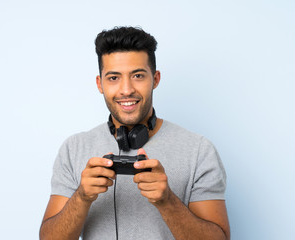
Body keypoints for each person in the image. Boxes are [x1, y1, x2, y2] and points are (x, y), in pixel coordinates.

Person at [40, 26, 230, 240]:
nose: (126, 89)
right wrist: (82, 197)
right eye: (113, 78)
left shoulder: (198, 150)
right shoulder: (74, 148)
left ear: (155, 79)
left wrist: (167, 201)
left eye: (138, 75)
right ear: (99, 84)